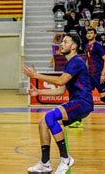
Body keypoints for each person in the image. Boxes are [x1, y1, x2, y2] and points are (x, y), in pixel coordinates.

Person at [23, 34, 93, 174]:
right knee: (43, 123)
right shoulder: (70, 63)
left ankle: (65, 159)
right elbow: (61, 90)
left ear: (74, 46)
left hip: (82, 102)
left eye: (65, 42)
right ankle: (45, 163)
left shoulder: (76, 61)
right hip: (77, 103)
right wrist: (39, 92)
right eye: (62, 42)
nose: (62, 44)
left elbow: (61, 81)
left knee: (50, 117)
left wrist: (37, 76)